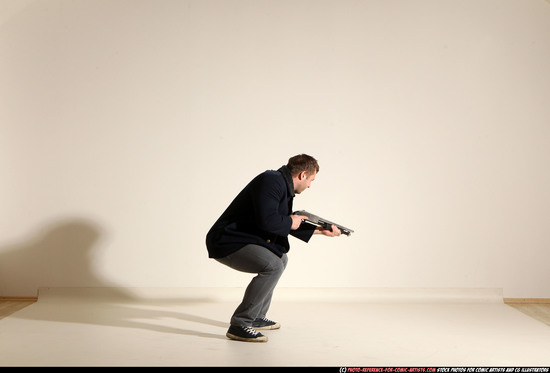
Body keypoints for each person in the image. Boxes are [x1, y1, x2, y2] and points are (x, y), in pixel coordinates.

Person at [205, 154, 342, 342]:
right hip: (226, 240)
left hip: (241, 238)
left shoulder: (280, 185)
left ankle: (257, 317)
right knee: (273, 266)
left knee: (281, 260)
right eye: (311, 180)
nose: (310, 185)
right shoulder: (271, 181)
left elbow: (279, 222)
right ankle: (240, 324)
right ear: (303, 175)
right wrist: (290, 220)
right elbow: (269, 221)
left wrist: (319, 230)